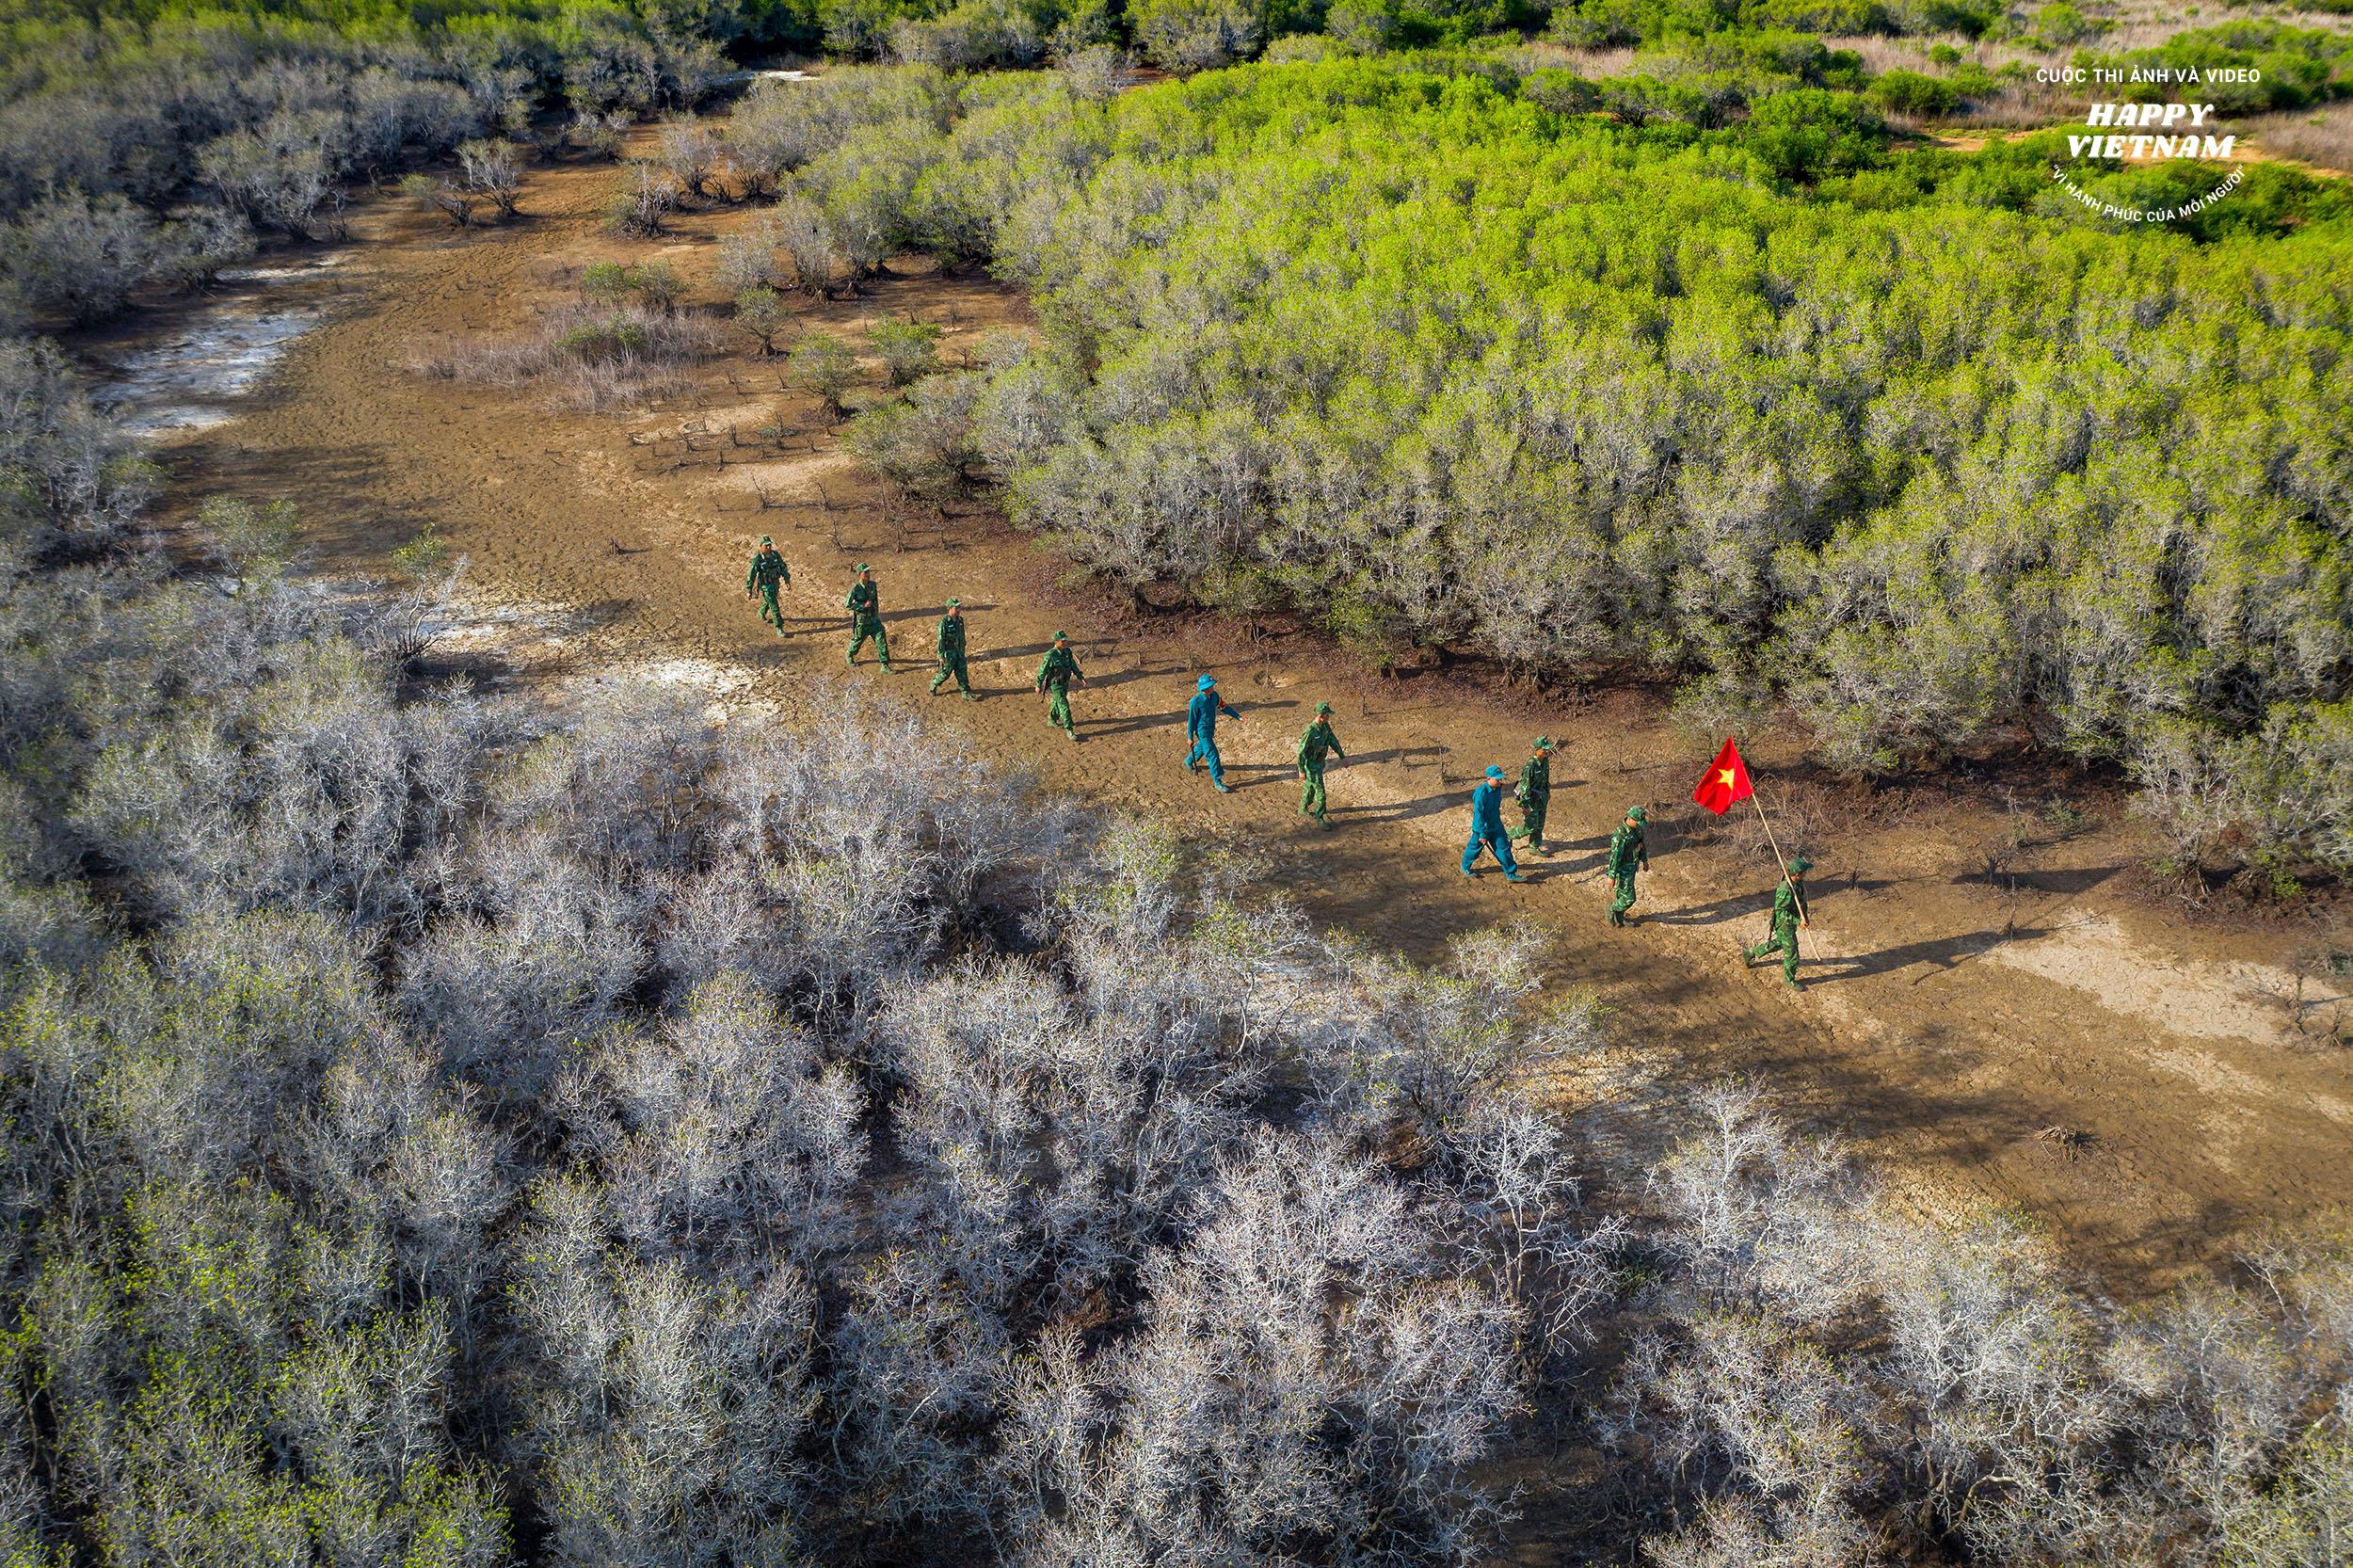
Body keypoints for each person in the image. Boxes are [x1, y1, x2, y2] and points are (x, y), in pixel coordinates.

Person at [1743, 856, 1813, 990]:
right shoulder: (1785, 890)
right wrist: (1798, 921)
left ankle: (1751, 952)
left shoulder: (1798, 883)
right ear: (1798, 874)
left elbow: (1802, 902)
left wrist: (1804, 917)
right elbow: (1781, 912)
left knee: (1780, 942)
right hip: (1784, 924)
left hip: (1792, 921)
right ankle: (1788, 980)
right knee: (1792, 954)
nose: (1806, 873)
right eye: (1805, 871)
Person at [1462, 765, 1528, 883]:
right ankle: (1465, 867)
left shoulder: (1497, 789)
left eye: (1501, 778)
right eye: (1497, 779)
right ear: (1488, 778)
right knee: (1474, 849)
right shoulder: (1481, 794)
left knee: (1504, 848)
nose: (1500, 781)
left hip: (1496, 825)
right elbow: (1478, 815)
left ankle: (1511, 874)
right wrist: (1482, 833)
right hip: (1482, 828)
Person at [1184, 675, 1243, 793]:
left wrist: (1238, 716)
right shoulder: (1195, 702)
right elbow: (1192, 720)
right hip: (1202, 731)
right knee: (1213, 755)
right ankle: (1218, 781)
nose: (1212, 688)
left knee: (1202, 747)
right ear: (1203, 689)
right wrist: (1190, 736)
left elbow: (1224, 707)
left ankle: (1189, 760)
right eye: (1209, 687)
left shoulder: (1215, 696)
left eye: (1212, 686)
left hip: (1211, 729)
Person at [1296, 701, 1345, 826]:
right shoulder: (1310, 732)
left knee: (1310, 786)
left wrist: (1341, 754)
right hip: (1311, 765)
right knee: (1320, 791)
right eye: (1328, 715)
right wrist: (1301, 770)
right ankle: (1320, 816)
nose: (1329, 717)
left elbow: (1332, 739)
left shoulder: (1325, 726)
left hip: (1319, 763)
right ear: (1321, 716)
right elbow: (1301, 752)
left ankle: (1302, 808)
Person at [1507, 736, 1556, 854]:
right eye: (1544, 749)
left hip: (1541, 798)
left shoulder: (1545, 761)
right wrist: (1525, 805)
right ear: (1537, 749)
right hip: (1531, 800)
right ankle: (1508, 834)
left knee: (1540, 824)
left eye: (1547, 749)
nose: (1546, 752)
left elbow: (1546, 778)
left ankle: (1534, 847)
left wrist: (1547, 792)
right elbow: (1525, 786)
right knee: (1530, 826)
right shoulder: (1530, 765)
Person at [1033, 630, 1084, 741]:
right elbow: (1043, 670)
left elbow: (1073, 665)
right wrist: (1038, 684)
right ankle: (1069, 729)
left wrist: (1080, 677)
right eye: (1063, 641)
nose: (1066, 642)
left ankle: (1052, 720)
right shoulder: (1050, 654)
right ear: (1056, 642)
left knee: (1057, 701)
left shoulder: (1068, 652)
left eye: (1066, 640)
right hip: (1055, 684)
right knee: (1064, 706)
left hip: (1065, 682)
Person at [1607, 806, 1650, 927]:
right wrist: (1611, 876)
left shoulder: (1638, 830)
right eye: (1637, 821)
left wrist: (1645, 861)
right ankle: (1611, 908)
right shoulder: (1620, 834)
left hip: (1632, 867)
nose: (1639, 824)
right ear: (1631, 818)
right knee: (1630, 898)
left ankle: (1620, 918)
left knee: (1622, 893)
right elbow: (1614, 856)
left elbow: (1641, 845)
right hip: (1622, 869)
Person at [844, 565, 889, 670]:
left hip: (874, 620)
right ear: (860, 574)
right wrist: (862, 606)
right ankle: (849, 654)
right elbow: (847, 605)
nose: (868, 574)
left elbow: (875, 601)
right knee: (858, 640)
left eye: (869, 572)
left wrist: (876, 614)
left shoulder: (873, 585)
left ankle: (884, 664)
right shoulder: (855, 589)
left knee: (881, 640)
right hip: (862, 621)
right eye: (865, 572)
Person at [929, 598, 975, 699]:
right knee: (945, 674)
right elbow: (941, 639)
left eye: (959, 607)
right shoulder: (944, 622)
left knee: (962, 672)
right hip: (949, 653)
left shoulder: (960, 620)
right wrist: (941, 655)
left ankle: (965, 692)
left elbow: (962, 636)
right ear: (950, 608)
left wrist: (962, 650)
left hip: (959, 651)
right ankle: (934, 683)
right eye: (956, 607)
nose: (959, 609)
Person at [744, 536, 790, 634]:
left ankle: (761, 613)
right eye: (766, 545)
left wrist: (787, 580)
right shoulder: (757, 560)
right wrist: (749, 590)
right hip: (766, 585)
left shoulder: (775, 555)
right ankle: (779, 626)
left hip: (775, 583)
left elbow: (783, 567)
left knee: (768, 600)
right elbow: (751, 575)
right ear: (760, 546)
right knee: (774, 605)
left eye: (770, 545)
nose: (768, 547)